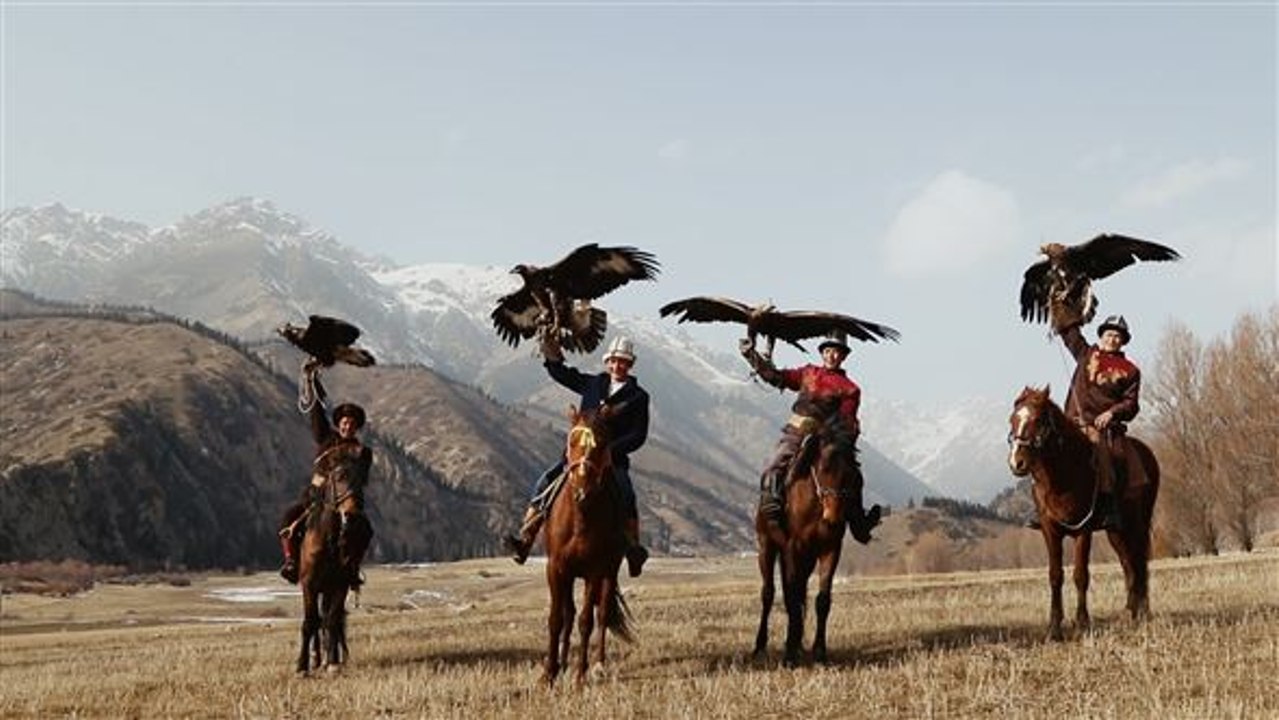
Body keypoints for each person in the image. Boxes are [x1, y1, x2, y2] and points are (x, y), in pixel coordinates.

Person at [502, 334, 652, 577]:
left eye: (623, 362)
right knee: (544, 483)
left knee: (626, 495)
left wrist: (609, 450)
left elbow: (638, 434)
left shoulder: (638, 396)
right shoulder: (593, 383)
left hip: (612, 460)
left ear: (630, 365)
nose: (617, 366)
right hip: (578, 457)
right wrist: (551, 357)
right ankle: (525, 539)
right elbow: (564, 375)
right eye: (614, 361)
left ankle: (633, 551)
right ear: (607, 362)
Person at [740, 329, 881, 543]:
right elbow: (777, 377)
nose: (832, 356)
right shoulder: (808, 373)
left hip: (827, 439)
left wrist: (835, 438)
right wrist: (752, 356)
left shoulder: (851, 389)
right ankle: (772, 511)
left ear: (843, 357)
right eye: (828, 351)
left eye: (837, 352)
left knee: (853, 476)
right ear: (822, 353)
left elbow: (846, 421)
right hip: (795, 433)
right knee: (773, 465)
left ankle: (859, 524)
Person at [1029, 305, 1142, 530]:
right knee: (1039, 449)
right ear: (1101, 336)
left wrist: (1111, 413)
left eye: (1118, 336)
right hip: (1071, 423)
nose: (1112, 339)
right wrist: (1059, 304)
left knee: (1102, 452)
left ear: (1123, 341)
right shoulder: (1086, 353)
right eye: (1109, 334)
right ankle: (1041, 507)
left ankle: (1109, 506)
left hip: (1102, 428)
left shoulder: (1130, 370)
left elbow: (1131, 404)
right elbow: (1069, 331)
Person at [278, 364, 374, 587]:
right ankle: (292, 562)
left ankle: (353, 569)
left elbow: (362, 479)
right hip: (317, 496)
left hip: (346, 500)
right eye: (344, 422)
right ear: (339, 424)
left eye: (351, 423)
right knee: (288, 519)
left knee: (365, 530)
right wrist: (312, 381)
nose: (347, 426)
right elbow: (317, 413)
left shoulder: (362, 452)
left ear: (356, 427)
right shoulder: (326, 440)